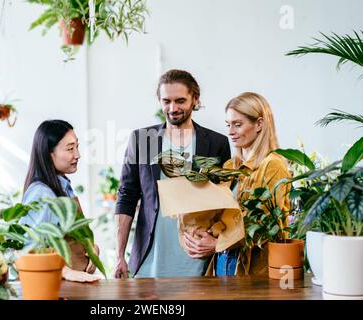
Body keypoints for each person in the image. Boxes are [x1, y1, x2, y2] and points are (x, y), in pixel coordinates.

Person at [114, 69, 231, 278]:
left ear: (195, 99)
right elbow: (126, 196)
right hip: (149, 260)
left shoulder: (216, 143)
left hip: (198, 261)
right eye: (166, 101)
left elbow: (225, 202)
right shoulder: (144, 140)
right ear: (159, 100)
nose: (173, 108)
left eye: (180, 101)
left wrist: (216, 243)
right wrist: (119, 255)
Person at [184, 92, 291, 276]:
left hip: (255, 266)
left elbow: (265, 225)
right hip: (223, 261)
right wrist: (203, 236)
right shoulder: (230, 166)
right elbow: (221, 217)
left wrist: (217, 243)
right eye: (228, 124)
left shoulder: (273, 164)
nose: (230, 131)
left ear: (259, 124)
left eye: (237, 124)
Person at [21, 119, 102, 282]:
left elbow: (71, 238)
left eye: (77, 146)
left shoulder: (63, 186)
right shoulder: (41, 193)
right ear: (49, 153)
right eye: (70, 149)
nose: (77, 155)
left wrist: (92, 249)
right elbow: (30, 249)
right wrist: (67, 272)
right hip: (55, 286)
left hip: (74, 286)